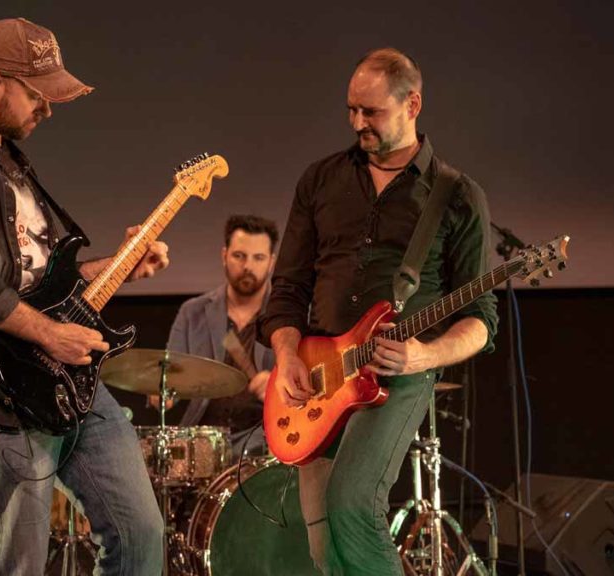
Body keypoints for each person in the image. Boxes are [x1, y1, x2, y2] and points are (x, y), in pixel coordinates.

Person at [0, 18, 166, 575]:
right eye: (37, 95)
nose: (47, 109)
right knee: (21, 564)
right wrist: (51, 335)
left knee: (142, 532)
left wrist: (118, 267)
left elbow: (42, 277)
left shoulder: (11, 159)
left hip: (63, 377)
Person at [258, 48, 499, 575]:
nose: (357, 122)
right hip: (318, 372)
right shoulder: (320, 180)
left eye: (371, 111)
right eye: (351, 109)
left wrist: (424, 356)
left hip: (395, 374)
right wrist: (287, 355)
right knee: (324, 549)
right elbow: (289, 286)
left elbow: (481, 319)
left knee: (353, 503)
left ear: (412, 105)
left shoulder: (457, 195)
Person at [164, 214, 279, 456]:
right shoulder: (192, 311)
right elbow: (167, 374)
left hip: (265, 439)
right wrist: (161, 390)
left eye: (258, 258)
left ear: (271, 262)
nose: (247, 266)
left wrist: (279, 385)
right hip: (202, 440)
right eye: (239, 256)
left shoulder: (286, 314)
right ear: (224, 255)